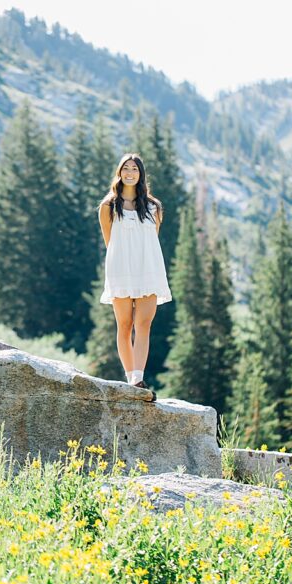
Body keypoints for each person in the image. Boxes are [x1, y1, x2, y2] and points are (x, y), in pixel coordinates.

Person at [98, 153, 172, 401]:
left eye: (135, 169)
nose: (130, 173)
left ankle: (137, 378)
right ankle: (130, 376)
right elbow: (110, 240)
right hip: (120, 269)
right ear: (119, 173)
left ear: (141, 174)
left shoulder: (153, 207)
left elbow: (152, 240)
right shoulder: (108, 206)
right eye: (126, 168)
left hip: (148, 269)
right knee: (125, 324)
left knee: (143, 324)